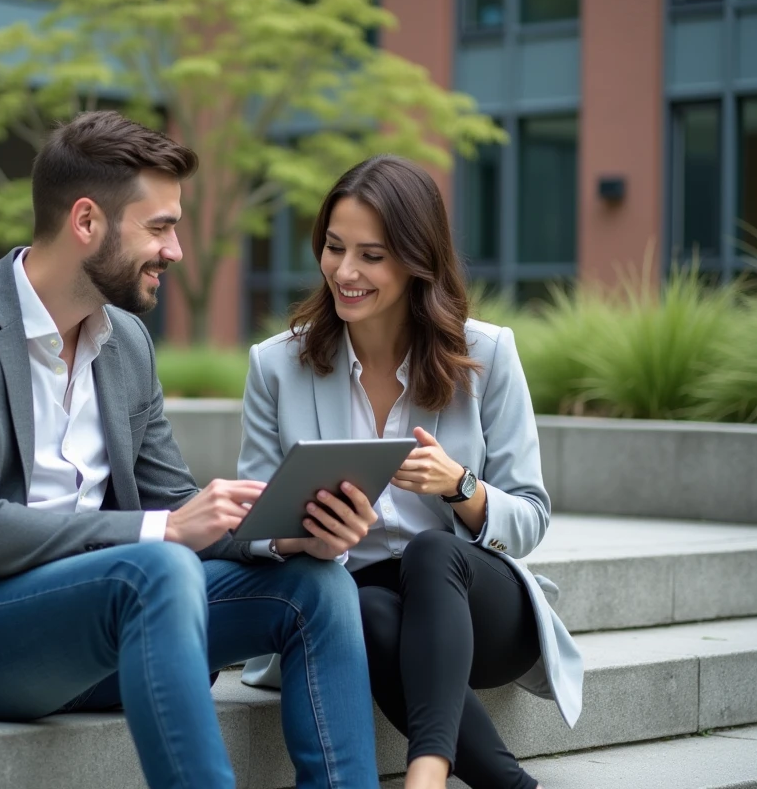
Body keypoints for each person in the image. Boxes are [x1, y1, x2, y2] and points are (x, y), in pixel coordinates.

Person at [0, 110, 381, 789]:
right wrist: (166, 529)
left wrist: (287, 536)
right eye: (160, 227)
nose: (175, 250)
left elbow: (174, 502)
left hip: (100, 628)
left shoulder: (126, 343)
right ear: (86, 222)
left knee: (316, 586)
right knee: (157, 567)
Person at [238, 155, 583, 789]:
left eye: (371, 255)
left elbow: (531, 516)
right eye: (334, 248)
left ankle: (426, 776)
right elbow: (250, 520)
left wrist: (462, 487)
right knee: (362, 611)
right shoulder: (276, 366)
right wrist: (300, 536)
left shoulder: (487, 354)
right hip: (363, 603)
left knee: (429, 552)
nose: (345, 271)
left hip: (475, 610)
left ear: (416, 259)